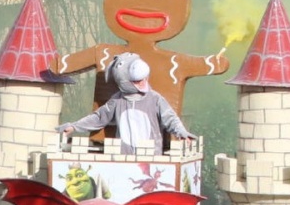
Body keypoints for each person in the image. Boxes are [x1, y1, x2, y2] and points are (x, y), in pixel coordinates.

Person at [58, 52, 194, 154]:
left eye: (143, 79)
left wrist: (181, 132)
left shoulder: (155, 99)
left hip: (151, 159)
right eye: (136, 81)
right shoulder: (117, 101)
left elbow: (169, 118)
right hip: (125, 159)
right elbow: (99, 117)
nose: (142, 82)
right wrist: (75, 127)